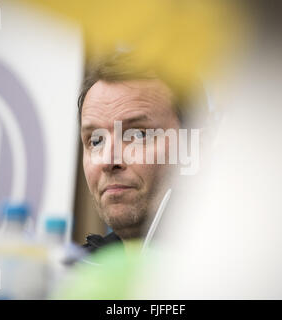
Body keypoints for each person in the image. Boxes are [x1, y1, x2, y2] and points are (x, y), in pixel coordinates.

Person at [77, 53, 207, 253]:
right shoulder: (73, 275)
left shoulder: (235, 270)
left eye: (138, 134)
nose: (108, 161)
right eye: (96, 140)